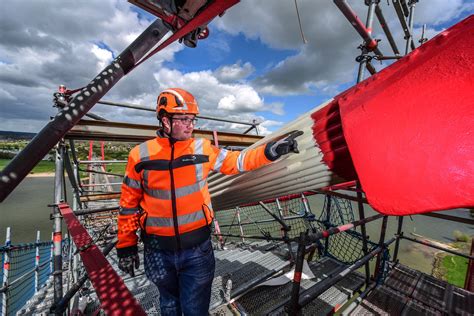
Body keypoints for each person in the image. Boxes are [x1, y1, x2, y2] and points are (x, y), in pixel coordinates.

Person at [116, 88, 302, 315]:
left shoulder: (201, 148)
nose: (190, 125)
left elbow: (237, 161)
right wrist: (126, 246)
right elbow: (128, 204)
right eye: (184, 119)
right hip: (158, 251)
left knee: (195, 310)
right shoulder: (140, 154)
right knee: (169, 305)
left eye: (192, 119)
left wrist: (270, 151)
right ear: (165, 120)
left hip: (197, 250)